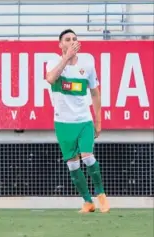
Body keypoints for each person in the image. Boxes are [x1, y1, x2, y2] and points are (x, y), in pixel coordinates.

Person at [46, 29, 110, 213]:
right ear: (60, 44)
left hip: (84, 120)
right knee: (73, 164)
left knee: (88, 157)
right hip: (63, 122)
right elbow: (51, 79)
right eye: (67, 39)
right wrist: (66, 58)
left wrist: (98, 121)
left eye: (74, 39)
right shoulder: (53, 63)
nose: (72, 41)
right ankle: (88, 202)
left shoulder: (88, 63)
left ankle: (101, 195)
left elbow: (95, 92)